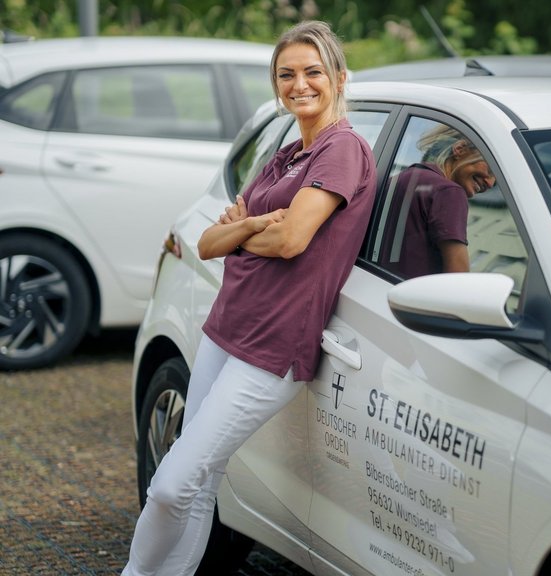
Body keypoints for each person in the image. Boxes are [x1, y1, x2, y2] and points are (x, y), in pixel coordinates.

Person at [121, 20, 376, 576]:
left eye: (312, 72)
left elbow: (291, 240)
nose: (299, 84)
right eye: (286, 74)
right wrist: (254, 224)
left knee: (171, 484)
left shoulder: (342, 150)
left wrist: (249, 229)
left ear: (338, 76)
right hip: (227, 324)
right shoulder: (285, 155)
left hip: (274, 345)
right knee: (199, 479)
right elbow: (213, 242)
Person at [380, 125, 496, 278]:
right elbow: (457, 279)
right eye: (490, 170)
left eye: (496, 180)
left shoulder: (398, 180)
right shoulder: (449, 192)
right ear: (460, 149)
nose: (490, 183)